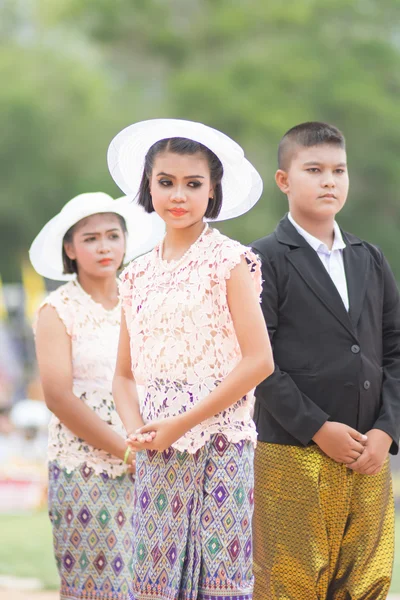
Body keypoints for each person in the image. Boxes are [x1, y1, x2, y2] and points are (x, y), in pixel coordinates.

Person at [109, 119, 274, 600]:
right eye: (165, 182)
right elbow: (123, 374)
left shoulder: (230, 261)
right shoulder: (134, 275)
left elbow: (259, 361)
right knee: (156, 584)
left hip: (222, 444)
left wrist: (182, 422)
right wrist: (136, 431)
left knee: (220, 583)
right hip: (158, 449)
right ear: (149, 186)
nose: (178, 195)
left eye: (192, 184)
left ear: (212, 190)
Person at [251, 122, 400, 599]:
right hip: (291, 452)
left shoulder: (369, 258)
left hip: (369, 455)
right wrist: (318, 428)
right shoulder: (262, 259)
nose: (329, 181)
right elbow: (259, 362)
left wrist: (387, 430)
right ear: (284, 180)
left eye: (339, 170)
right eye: (313, 170)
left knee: (366, 582)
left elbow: (394, 349)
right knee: (290, 582)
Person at [31, 192, 164, 600]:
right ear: (70, 248)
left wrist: (149, 449)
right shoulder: (58, 309)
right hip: (84, 465)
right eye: (90, 239)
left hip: (153, 460)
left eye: (112, 235)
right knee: (100, 588)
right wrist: (125, 453)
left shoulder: (143, 299)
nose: (104, 246)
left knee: (152, 584)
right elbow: (58, 397)